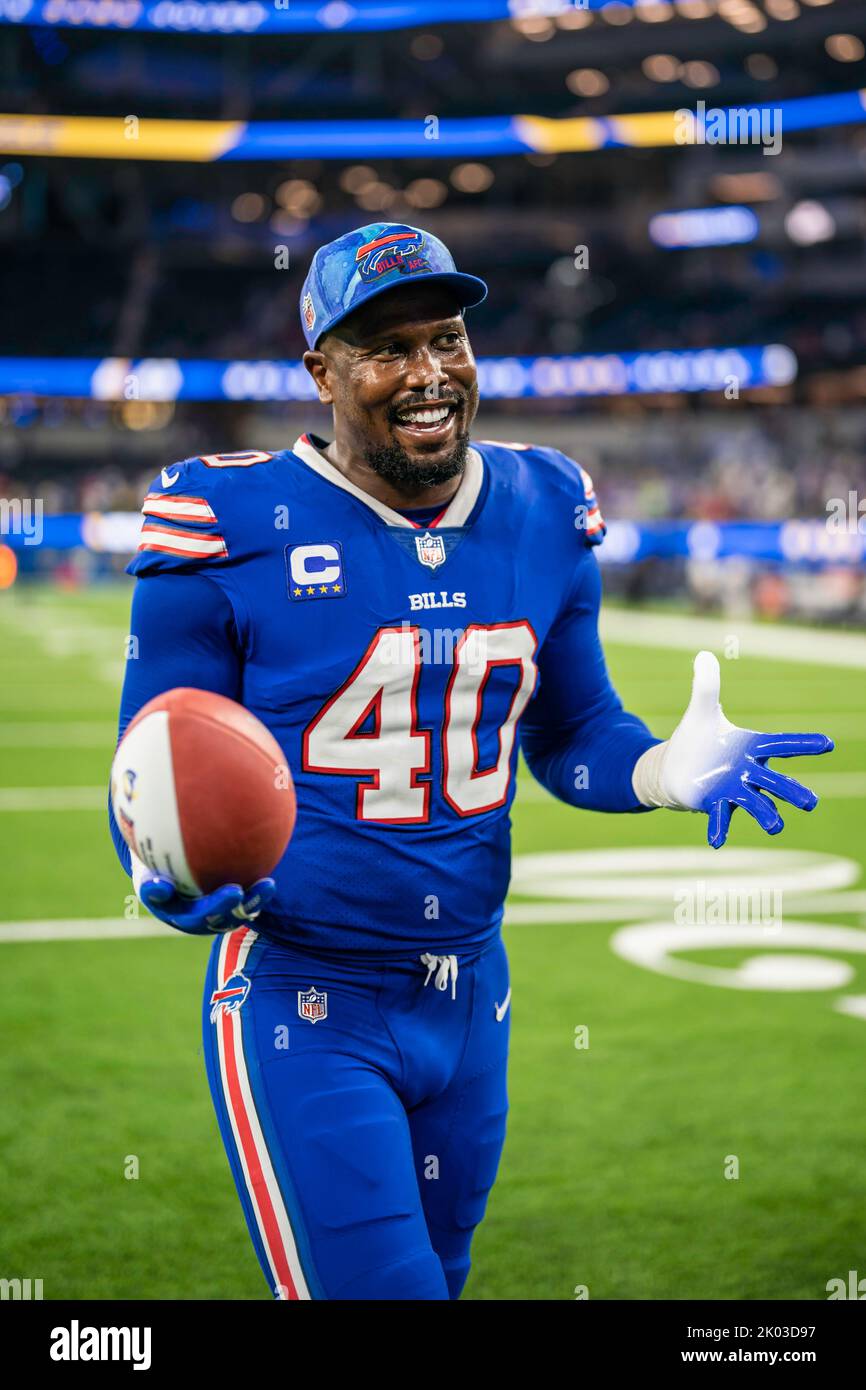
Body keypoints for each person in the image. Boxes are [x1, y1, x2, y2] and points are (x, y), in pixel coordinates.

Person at [109, 221, 833, 1300]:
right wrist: (180, 895)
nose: (427, 372)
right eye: (385, 347)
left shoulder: (542, 502)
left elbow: (574, 732)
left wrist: (660, 771)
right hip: (305, 992)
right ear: (320, 370)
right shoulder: (227, 518)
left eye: (445, 337)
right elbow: (145, 780)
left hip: (472, 997)